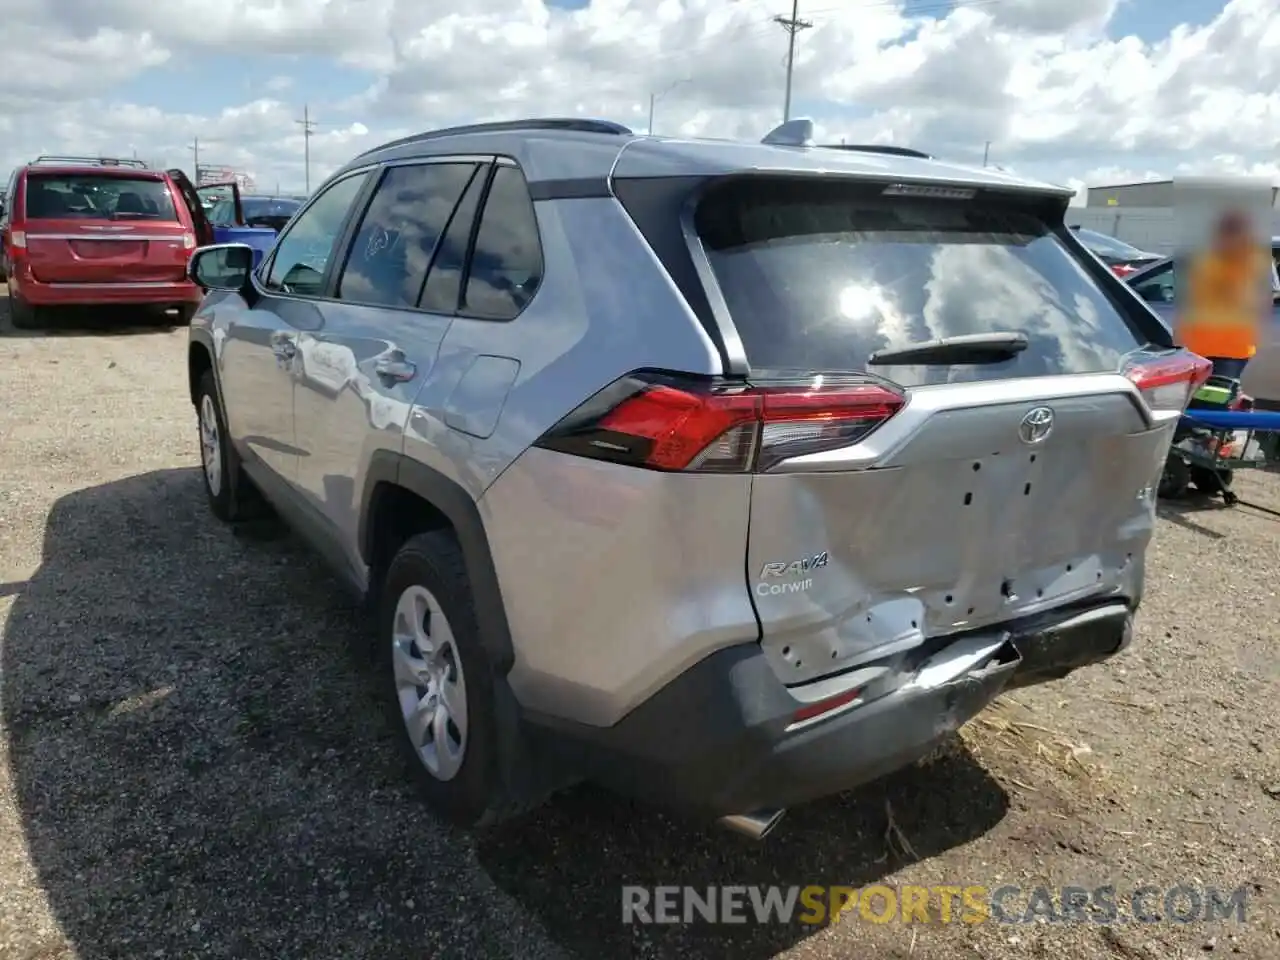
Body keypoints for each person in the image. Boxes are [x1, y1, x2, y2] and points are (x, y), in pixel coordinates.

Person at [1177, 209, 1270, 380]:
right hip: (1202, 347)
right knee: (1207, 399)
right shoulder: (1207, 261)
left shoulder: (1250, 262)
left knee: (1215, 397)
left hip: (1230, 349)